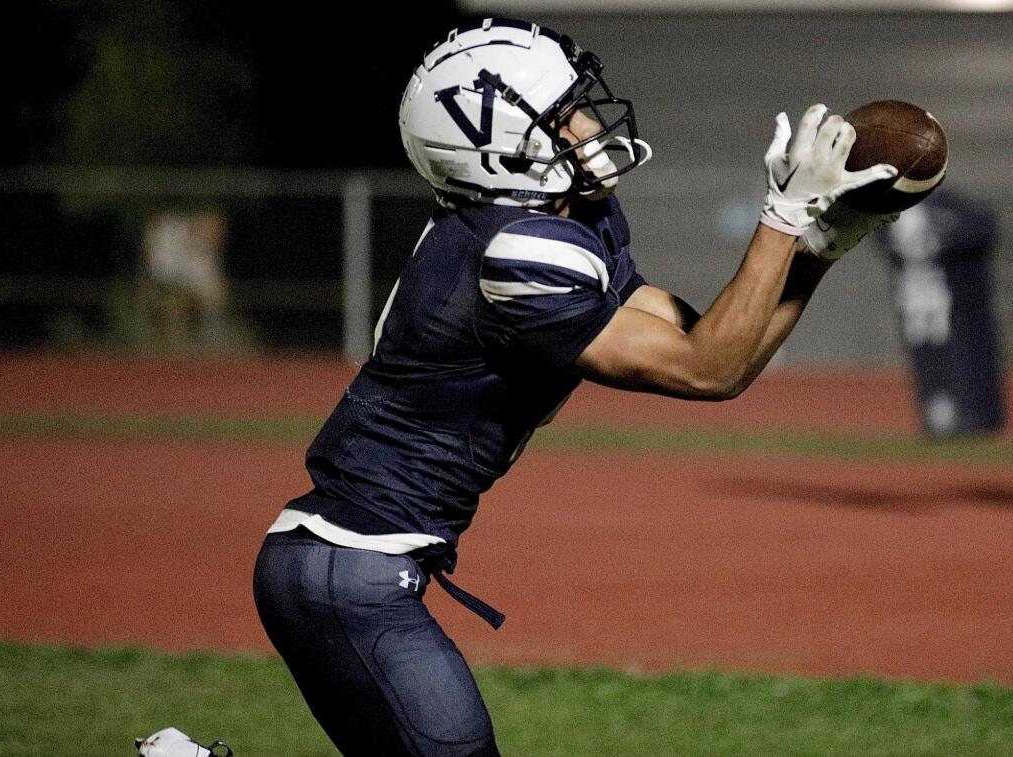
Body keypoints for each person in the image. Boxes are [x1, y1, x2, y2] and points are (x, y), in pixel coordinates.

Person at [251, 18, 897, 757]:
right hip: (350, 568)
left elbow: (720, 354)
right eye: (563, 116)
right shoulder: (517, 253)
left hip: (349, 564)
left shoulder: (547, 229)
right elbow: (706, 366)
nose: (589, 123)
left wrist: (815, 247)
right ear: (496, 148)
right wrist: (782, 221)